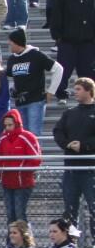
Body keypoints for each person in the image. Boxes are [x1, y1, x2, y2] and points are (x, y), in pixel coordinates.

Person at [53, 78, 95, 233]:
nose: (74, 92)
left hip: (92, 170)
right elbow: (57, 131)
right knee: (70, 210)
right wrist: (67, 144)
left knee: (94, 207)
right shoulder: (69, 113)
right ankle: (71, 242)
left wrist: (84, 145)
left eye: (78, 89)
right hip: (71, 169)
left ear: (88, 90)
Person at [50, 0, 95, 103]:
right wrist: (57, 36)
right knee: (64, 69)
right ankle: (61, 94)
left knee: (87, 70)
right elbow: (56, 16)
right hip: (67, 41)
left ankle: (89, 95)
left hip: (87, 42)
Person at [5, 27, 60, 136]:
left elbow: (58, 69)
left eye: (11, 42)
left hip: (35, 100)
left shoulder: (36, 55)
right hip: (20, 102)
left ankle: (36, 153)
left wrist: (51, 91)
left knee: (34, 134)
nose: (8, 44)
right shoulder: (12, 59)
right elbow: (9, 76)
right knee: (22, 135)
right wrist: (12, 89)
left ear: (17, 42)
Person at [0, 109, 41, 224]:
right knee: (11, 214)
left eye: (10, 125)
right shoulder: (3, 138)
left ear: (17, 123)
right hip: (7, 182)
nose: (7, 128)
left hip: (23, 183)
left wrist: (23, 171)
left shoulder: (27, 136)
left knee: (20, 214)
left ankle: (25, 241)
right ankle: (12, 240)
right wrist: (2, 171)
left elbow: (36, 158)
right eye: (5, 125)